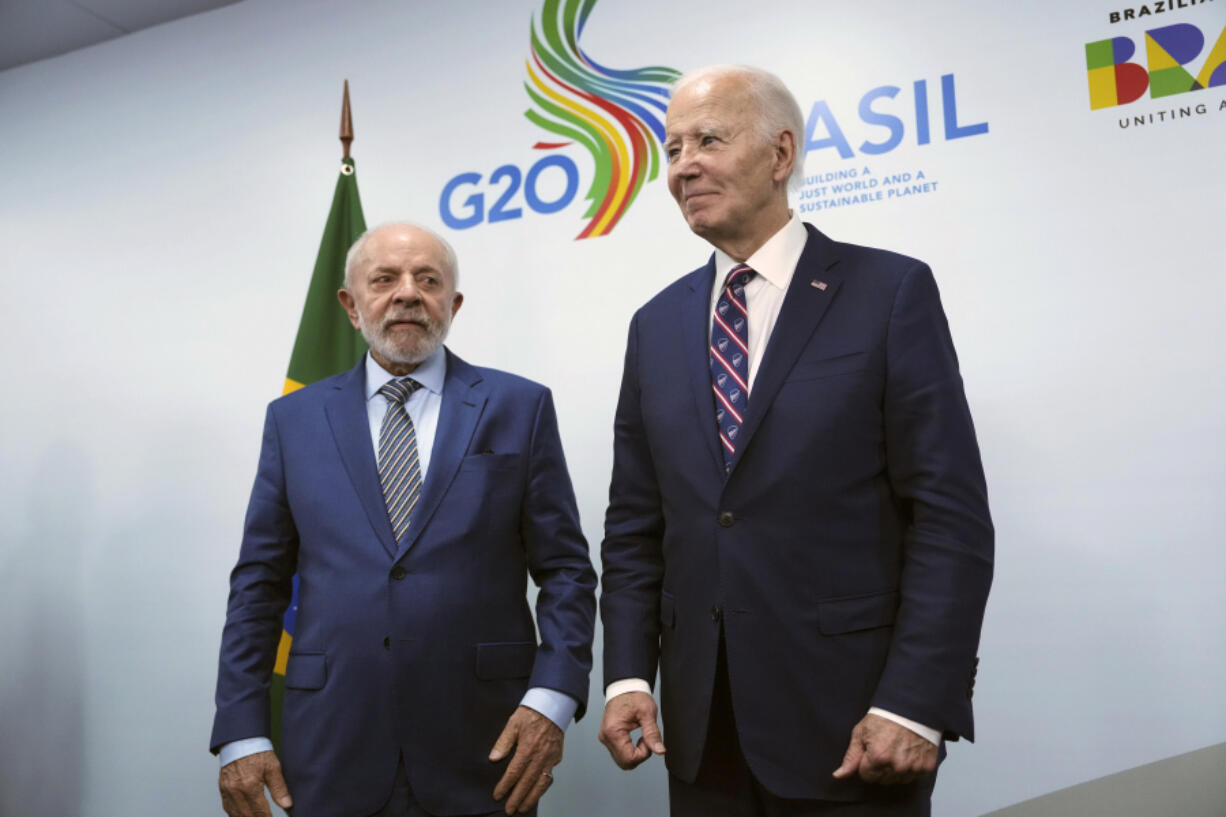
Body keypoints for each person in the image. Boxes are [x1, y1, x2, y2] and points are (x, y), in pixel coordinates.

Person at [597, 65, 994, 816]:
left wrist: (913, 702)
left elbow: (949, 517)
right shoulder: (654, 326)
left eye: (708, 139)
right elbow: (634, 527)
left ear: (781, 155)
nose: (683, 165)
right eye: (673, 147)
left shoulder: (889, 293)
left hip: (854, 731)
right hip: (700, 740)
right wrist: (626, 676)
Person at [210, 223, 597, 817]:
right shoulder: (293, 420)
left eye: (429, 280)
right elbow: (258, 585)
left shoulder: (519, 406)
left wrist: (552, 700)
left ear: (454, 304)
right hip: (330, 746)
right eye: (385, 279)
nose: (408, 293)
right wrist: (241, 729)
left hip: (485, 748)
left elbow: (567, 572)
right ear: (350, 305)